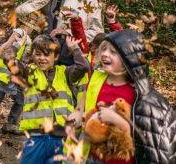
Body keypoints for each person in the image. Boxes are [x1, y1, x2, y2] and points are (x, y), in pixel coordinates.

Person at [66, 30, 176, 164]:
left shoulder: (138, 93)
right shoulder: (95, 80)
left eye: (113, 52)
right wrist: (76, 116)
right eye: (104, 49)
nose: (105, 54)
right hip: (92, 156)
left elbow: (145, 137)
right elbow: (81, 107)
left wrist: (119, 121)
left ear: (130, 59)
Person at [17, 34, 89, 164]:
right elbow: (11, 63)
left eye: (47, 54)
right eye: (38, 54)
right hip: (36, 137)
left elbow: (83, 67)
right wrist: (19, 45)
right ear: (33, 56)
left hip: (61, 138)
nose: (42, 58)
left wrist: (74, 49)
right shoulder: (29, 72)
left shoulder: (66, 73)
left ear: (55, 57)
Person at [0, 21, 33, 134]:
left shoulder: (27, 37)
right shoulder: (20, 32)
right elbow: (6, 45)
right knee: (16, 99)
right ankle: (2, 123)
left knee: (4, 98)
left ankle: (4, 123)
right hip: (6, 72)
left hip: (13, 73)